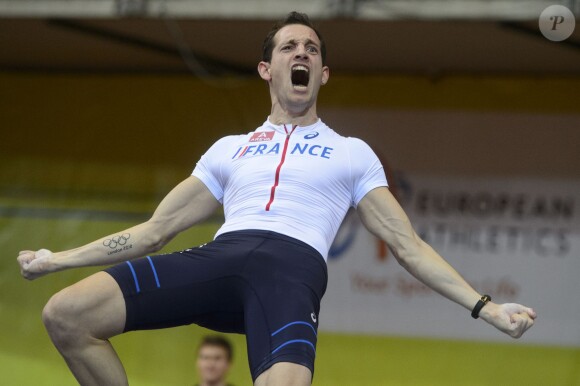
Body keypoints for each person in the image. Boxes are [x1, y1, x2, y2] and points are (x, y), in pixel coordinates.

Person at [17, 11, 536, 386]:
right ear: (267, 69)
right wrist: (56, 259)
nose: (301, 54)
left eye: (311, 49)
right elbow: (154, 231)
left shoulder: (351, 153)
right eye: (289, 47)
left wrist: (486, 309)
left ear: (323, 75)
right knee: (66, 315)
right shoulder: (230, 150)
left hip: (290, 273)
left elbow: (408, 245)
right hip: (219, 259)